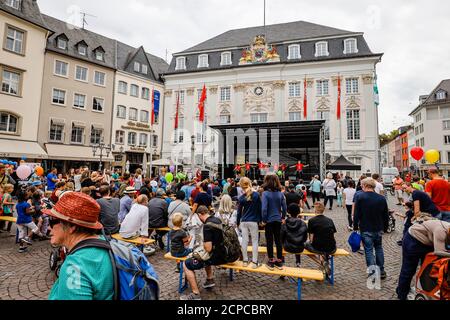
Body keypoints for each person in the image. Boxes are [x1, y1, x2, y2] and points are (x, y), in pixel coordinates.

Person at [45, 192, 114, 300]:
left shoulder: (75, 264)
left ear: (72, 226)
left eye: (52, 221)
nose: (49, 228)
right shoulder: (106, 244)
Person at [181, 206, 227, 300]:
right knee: (203, 255)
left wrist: (200, 248)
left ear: (200, 214)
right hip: (223, 252)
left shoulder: (207, 226)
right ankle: (209, 279)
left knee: (186, 264)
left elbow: (208, 248)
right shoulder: (217, 219)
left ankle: (195, 294)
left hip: (215, 256)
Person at [396, 220, 450, 300]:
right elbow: (440, 255)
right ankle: (401, 294)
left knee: (427, 269)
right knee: (408, 270)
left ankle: (424, 289)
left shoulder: (447, 229)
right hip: (413, 239)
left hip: (427, 241)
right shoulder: (441, 232)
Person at [353, 178, 390, 279]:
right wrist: (385, 227)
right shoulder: (381, 198)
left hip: (366, 228)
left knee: (368, 250)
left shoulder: (360, 197)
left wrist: (355, 227)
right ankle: (381, 271)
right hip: (378, 227)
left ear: (364, 185)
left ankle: (373, 273)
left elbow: (356, 214)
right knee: (379, 248)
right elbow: (385, 215)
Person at [261, 174, 287, 270]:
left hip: (268, 220)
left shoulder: (265, 194)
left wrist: (264, 220)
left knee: (269, 240)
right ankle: (279, 261)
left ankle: (271, 260)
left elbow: (264, 209)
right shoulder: (281, 194)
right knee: (278, 240)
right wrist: (283, 217)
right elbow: (284, 207)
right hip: (278, 219)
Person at [237, 177, 262, 268]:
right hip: (253, 220)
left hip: (244, 221)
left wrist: (237, 222)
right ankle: (254, 262)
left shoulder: (241, 198)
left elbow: (239, 212)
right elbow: (260, 208)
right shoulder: (256, 195)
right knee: (255, 241)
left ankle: (245, 260)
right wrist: (261, 220)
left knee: (245, 241)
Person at [281, 203, 308, 268]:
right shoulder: (303, 223)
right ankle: (298, 263)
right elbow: (305, 238)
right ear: (298, 212)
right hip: (299, 247)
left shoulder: (285, 224)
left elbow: (281, 237)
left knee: (280, 245)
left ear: (288, 212)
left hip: (287, 246)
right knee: (298, 242)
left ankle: (282, 263)